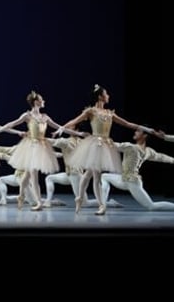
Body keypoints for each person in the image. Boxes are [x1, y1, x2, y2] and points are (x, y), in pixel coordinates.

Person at [59, 84, 153, 214]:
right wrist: (62, 128)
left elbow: (127, 124)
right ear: (100, 96)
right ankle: (99, 205)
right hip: (94, 144)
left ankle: (81, 199)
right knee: (94, 176)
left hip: (105, 145)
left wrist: (146, 129)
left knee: (89, 175)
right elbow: (74, 121)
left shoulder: (110, 113)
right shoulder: (91, 111)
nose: (108, 96)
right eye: (106, 94)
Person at [0, 91, 74, 210]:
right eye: (41, 99)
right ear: (36, 102)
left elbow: (60, 127)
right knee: (34, 175)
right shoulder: (27, 116)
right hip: (31, 147)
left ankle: (21, 196)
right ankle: (39, 202)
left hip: (41, 146)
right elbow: (11, 124)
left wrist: (77, 133)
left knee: (28, 174)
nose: (43, 101)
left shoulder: (45, 117)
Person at [96, 128, 174, 214]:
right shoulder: (148, 151)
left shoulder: (131, 147)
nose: (135, 132)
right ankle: (103, 205)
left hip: (132, 182)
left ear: (145, 136)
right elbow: (162, 157)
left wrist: (100, 138)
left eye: (138, 131)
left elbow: (113, 145)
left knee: (151, 206)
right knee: (104, 176)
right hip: (124, 180)